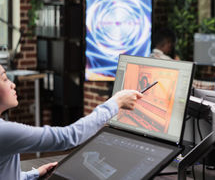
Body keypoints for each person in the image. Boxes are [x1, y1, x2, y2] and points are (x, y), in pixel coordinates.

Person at [0, 65, 143, 180]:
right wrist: (116, 103)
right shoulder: (4, 131)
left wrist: (33, 174)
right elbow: (67, 137)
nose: (12, 84)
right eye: (5, 79)